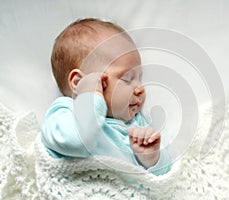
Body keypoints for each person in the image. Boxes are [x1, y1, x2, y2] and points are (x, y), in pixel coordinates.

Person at [41, 18, 171, 175]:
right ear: (78, 82)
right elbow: (78, 142)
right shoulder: (64, 113)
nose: (140, 89)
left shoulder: (137, 125)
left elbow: (163, 178)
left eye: (140, 78)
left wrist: (152, 158)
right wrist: (90, 95)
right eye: (127, 78)